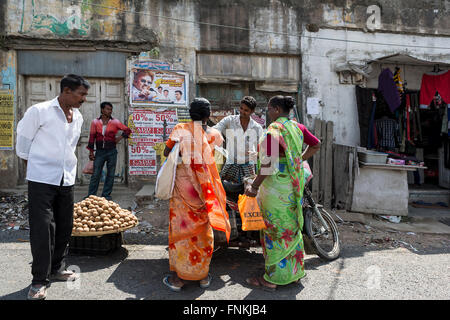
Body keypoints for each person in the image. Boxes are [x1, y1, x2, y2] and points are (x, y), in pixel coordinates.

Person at [16, 74, 90, 300]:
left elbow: (70, 146)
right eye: (81, 94)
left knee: (64, 226)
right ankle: (39, 280)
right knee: (43, 229)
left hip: (66, 178)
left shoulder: (77, 116)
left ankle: (57, 268)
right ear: (66, 91)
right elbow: (23, 143)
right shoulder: (39, 111)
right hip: (41, 179)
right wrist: (37, 167)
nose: (84, 99)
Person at [244, 95, 321, 291]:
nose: (268, 113)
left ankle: (273, 279)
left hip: (275, 190)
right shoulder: (297, 127)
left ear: (277, 110)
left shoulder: (273, 131)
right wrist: (298, 159)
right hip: (293, 187)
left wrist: (254, 186)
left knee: (275, 231)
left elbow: (268, 164)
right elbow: (316, 144)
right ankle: (293, 274)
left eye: (269, 109)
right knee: (291, 229)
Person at [162, 98, 231, 291]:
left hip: (183, 189)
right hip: (205, 189)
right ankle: (202, 275)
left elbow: (167, 152)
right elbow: (220, 155)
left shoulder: (179, 129)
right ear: (208, 115)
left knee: (181, 230)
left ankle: (180, 278)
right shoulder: (213, 134)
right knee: (203, 231)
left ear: (190, 113)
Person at [213, 96, 264, 184]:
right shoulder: (230, 120)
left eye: (246, 110)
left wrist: (257, 154)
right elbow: (216, 129)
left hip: (248, 164)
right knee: (225, 189)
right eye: (241, 108)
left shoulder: (256, 127)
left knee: (248, 191)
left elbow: (264, 146)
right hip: (231, 162)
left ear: (252, 111)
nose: (242, 112)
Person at [87, 102, 131, 200]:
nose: (109, 111)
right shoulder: (95, 122)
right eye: (107, 109)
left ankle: (106, 195)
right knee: (95, 175)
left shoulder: (115, 122)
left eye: (110, 109)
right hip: (99, 152)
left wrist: (118, 139)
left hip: (111, 151)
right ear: (102, 110)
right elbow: (91, 137)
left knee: (110, 174)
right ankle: (91, 195)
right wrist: (91, 152)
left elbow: (127, 130)